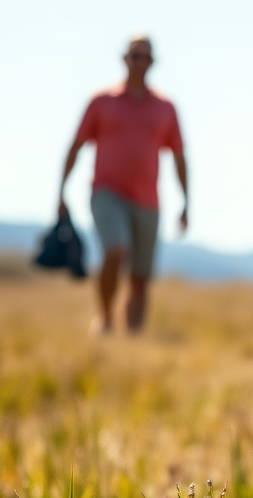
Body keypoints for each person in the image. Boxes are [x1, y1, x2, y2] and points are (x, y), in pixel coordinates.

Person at [59, 36, 188, 333]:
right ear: (124, 59)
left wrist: (186, 202)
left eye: (145, 57)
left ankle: (133, 340)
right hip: (107, 191)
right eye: (135, 56)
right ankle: (104, 319)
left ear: (153, 63)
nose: (140, 62)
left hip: (148, 200)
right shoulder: (102, 102)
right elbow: (76, 146)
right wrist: (61, 192)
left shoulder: (165, 108)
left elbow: (180, 157)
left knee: (140, 276)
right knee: (115, 251)